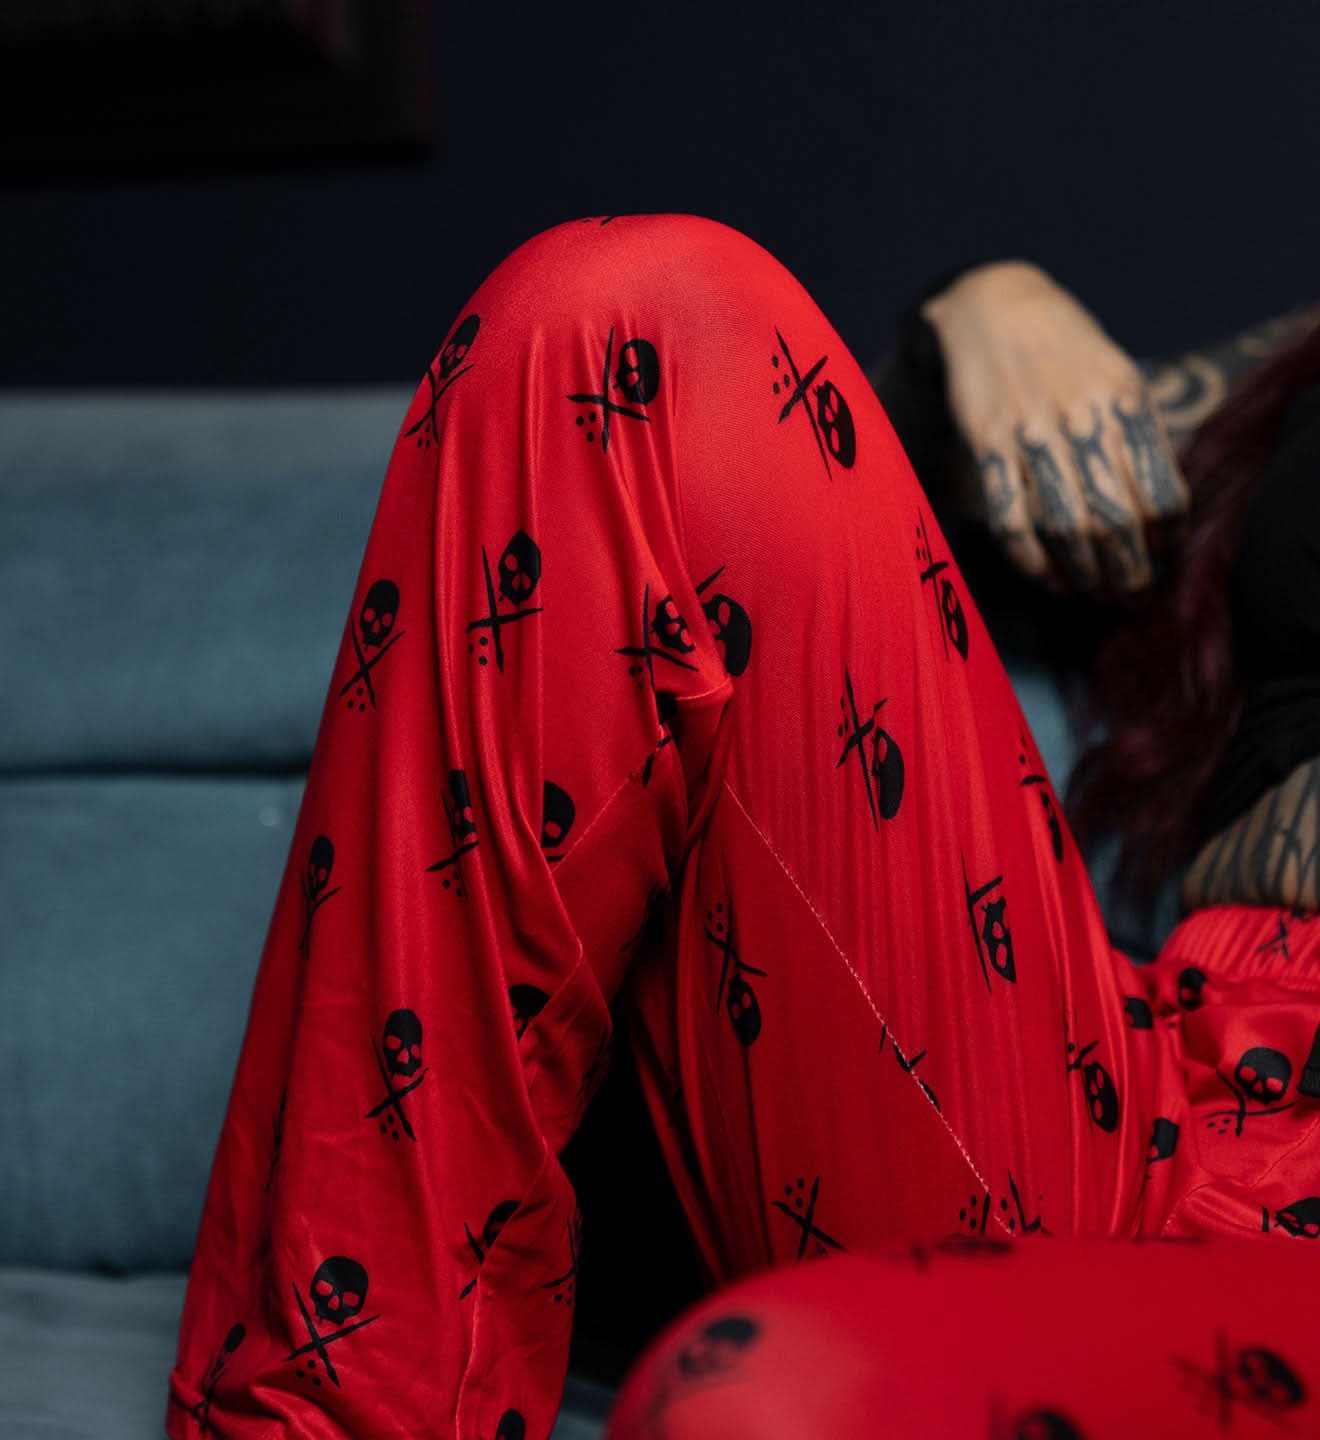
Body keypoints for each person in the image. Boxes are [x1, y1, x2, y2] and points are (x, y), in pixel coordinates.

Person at [164, 214, 1320, 1440]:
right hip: (1170, 1089)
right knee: (623, 319)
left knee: (753, 1402)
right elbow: (816, 466)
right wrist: (986, 307)